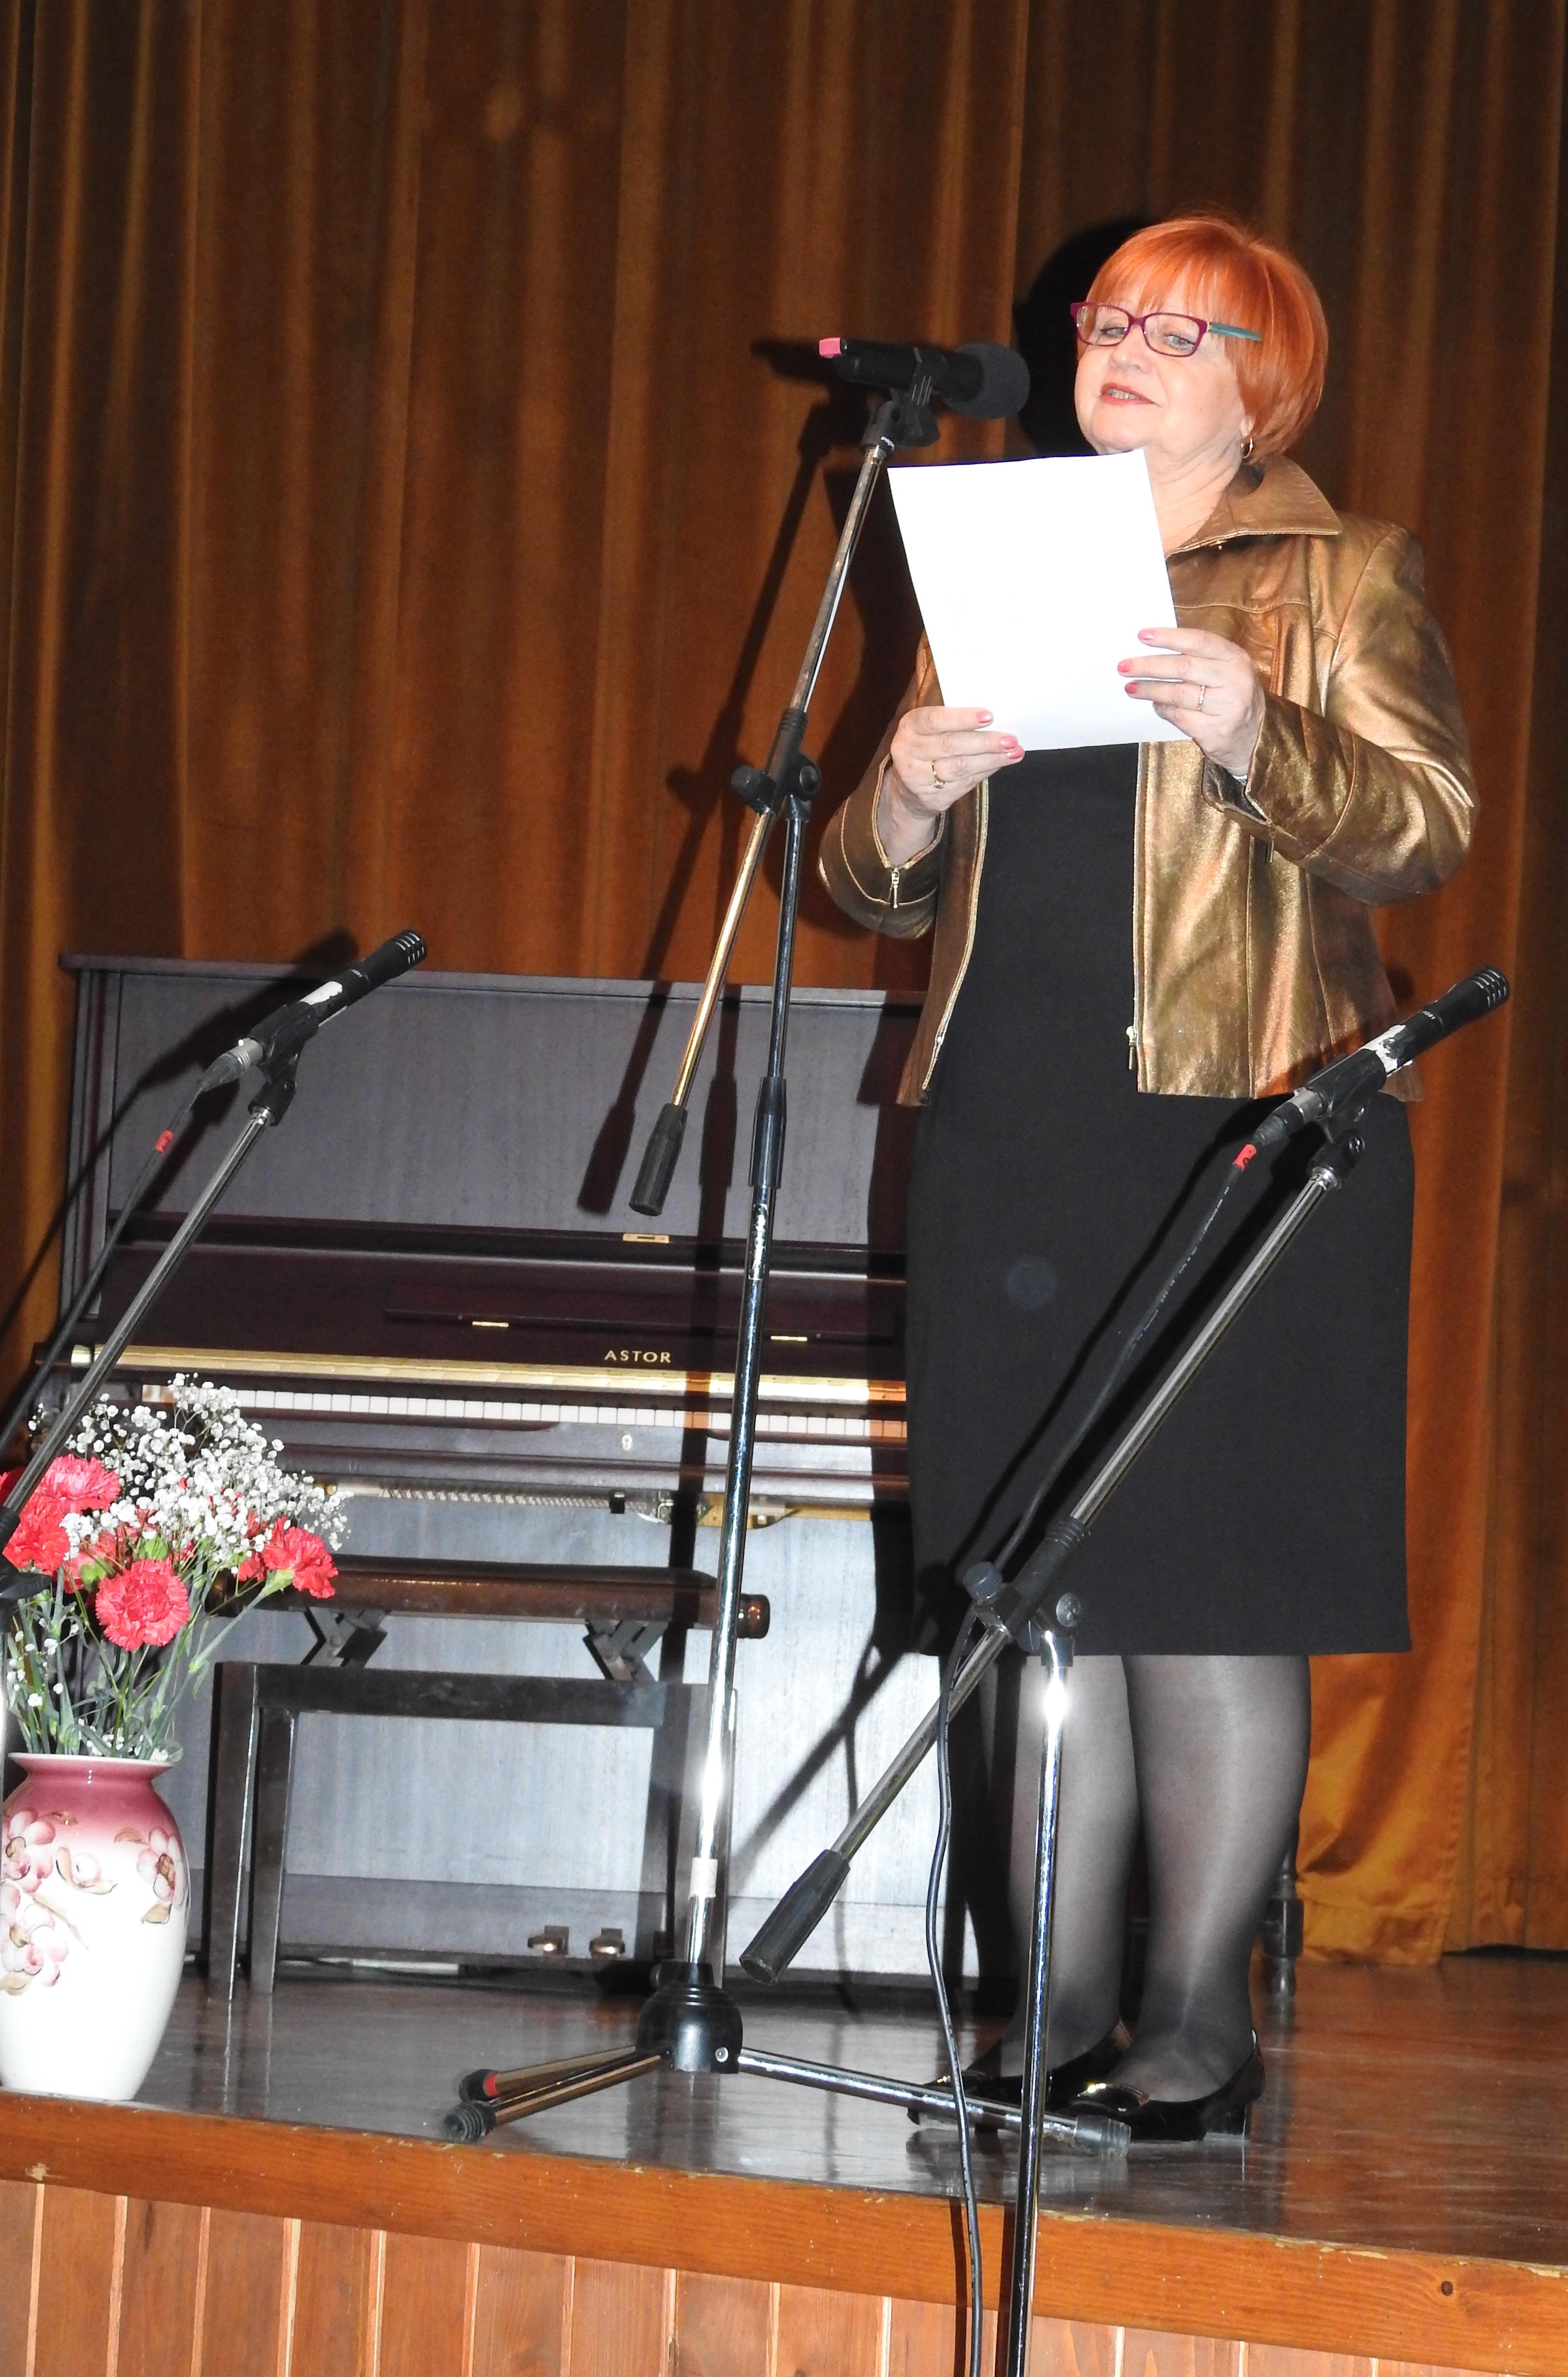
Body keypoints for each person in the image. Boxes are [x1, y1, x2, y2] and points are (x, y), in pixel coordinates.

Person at [820, 213, 1475, 2141]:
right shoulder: (994, 563)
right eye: (1109, 320)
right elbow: (858, 885)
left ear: (1262, 386)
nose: (1120, 345)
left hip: (1239, 1130)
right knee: (1030, 1595)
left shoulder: (1340, 572)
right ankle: (1049, 2017)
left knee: (1203, 1588)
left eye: (1178, 331)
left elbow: (1424, 829)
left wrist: (1263, 729)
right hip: (1012, 1130)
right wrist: (901, 796)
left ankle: (1194, 2027)